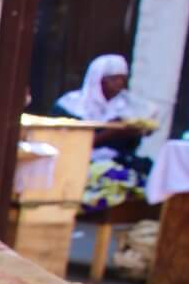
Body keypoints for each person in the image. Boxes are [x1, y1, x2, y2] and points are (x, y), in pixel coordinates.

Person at [57, 52, 151, 202]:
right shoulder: (71, 104)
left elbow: (129, 146)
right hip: (79, 162)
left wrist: (136, 132)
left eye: (122, 79)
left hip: (116, 161)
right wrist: (109, 132)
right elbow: (68, 143)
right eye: (113, 79)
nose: (119, 84)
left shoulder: (125, 107)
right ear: (98, 81)